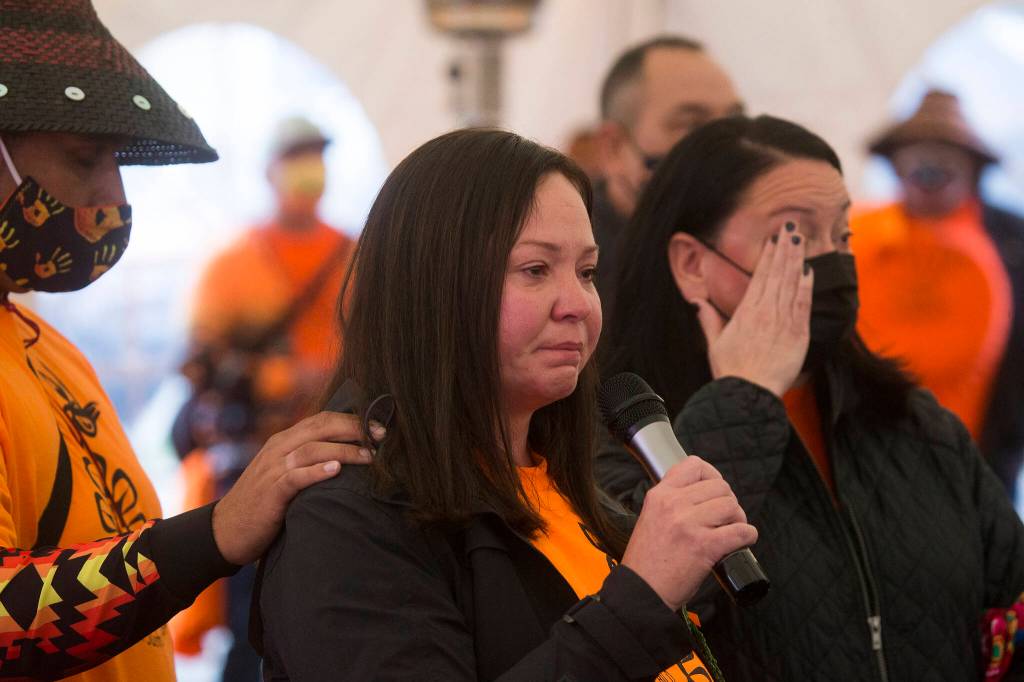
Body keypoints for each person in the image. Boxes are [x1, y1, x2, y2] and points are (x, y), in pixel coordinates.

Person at [256, 128, 757, 681]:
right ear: (437, 285)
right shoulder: (348, 521)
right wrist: (638, 600)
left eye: (586, 272)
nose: (577, 305)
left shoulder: (574, 481)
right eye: (536, 270)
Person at [0, 1, 365, 679]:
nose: (113, 193)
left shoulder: (48, 348)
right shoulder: (234, 262)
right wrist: (218, 532)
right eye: (86, 158)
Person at [597, 115, 1024, 681]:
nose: (831, 259)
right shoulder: (627, 435)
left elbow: (1011, 617)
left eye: (841, 235)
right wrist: (743, 398)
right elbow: (642, 620)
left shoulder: (915, 426)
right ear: (693, 264)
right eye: (794, 235)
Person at [171, 116, 355, 679]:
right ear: (271, 171)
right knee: (249, 622)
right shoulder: (232, 266)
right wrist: (283, 378)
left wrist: (323, 376)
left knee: (334, 613)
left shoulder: (355, 256)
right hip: (253, 468)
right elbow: (199, 367)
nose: (309, 170)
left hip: (339, 464)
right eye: (297, 156)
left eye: (317, 156)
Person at [853, 90, 1024, 500]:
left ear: (972, 169)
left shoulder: (1010, 239)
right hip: (875, 450)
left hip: (986, 447)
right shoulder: (866, 236)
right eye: (918, 157)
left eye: (945, 156)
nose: (930, 170)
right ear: (896, 164)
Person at [591, 35, 743, 304]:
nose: (726, 143)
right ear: (614, 148)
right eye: (692, 125)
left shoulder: (748, 252)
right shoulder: (571, 271)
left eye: (735, 121)